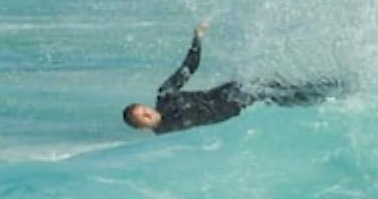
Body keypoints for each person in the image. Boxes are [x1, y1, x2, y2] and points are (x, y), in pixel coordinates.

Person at [123, 23, 343, 135]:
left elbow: (189, 68)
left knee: (283, 89)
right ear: (142, 127)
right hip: (237, 109)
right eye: (142, 117)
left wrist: (196, 38)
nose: (147, 113)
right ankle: (331, 94)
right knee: (282, 98)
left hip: (232, 93)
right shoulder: (168, 134)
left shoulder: (165, 95)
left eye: (143, 109)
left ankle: (331, 88)